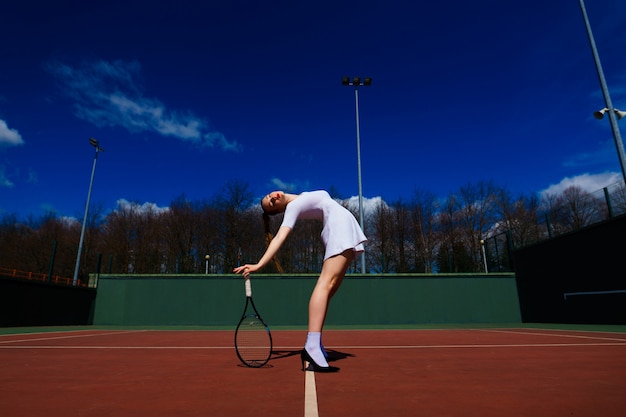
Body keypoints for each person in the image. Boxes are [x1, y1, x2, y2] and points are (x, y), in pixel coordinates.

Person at [233, 190, 367, 372]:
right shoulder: (293, 207)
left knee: (330, 288)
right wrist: (259, 264)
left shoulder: (302, 197)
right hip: (338, 227)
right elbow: (280, 237)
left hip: (342, 225)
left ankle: (315, 344)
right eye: (271, 204)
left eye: (268, 196)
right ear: (279, 210)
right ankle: (311, 346)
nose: (272, 198)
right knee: (325, 285)